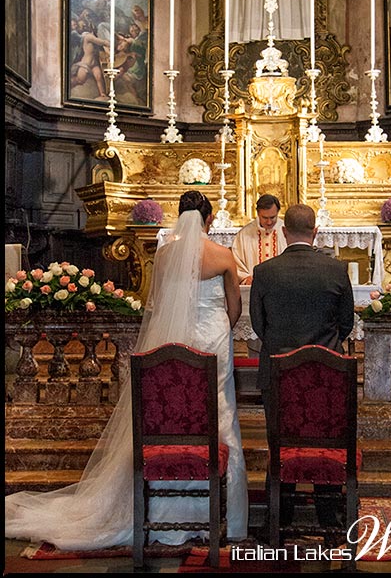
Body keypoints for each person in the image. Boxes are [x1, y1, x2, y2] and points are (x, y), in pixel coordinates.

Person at [5, 191, 249, 550]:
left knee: (166, 410)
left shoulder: (164, 256)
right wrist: (218, 329)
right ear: (209, 219)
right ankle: (220, 515)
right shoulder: (223, 255)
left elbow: (159, 303)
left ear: (178, 216)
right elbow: (234, 305)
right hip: (213, 339)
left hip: (170, 336)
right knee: (218, 414)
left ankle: (159, 502)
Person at [250, 203, 355, 529]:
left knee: (280, 441)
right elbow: (347, 323)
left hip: (278, 375)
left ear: (283, 232)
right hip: (327, 377)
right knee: (325, 442)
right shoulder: (336, 270)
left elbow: (258, 325)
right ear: (315, 232)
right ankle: (330, 518)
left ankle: (279, 518)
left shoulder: (265, 272)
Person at [232, 194, 287, 285]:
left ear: (278, 212)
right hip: (254, 288)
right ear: (258, 213)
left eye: (272, 217)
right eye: (265, 218)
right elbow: (236, 261)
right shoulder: (244, 234)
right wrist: (245, 278)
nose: (269, 222)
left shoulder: (286, 231)